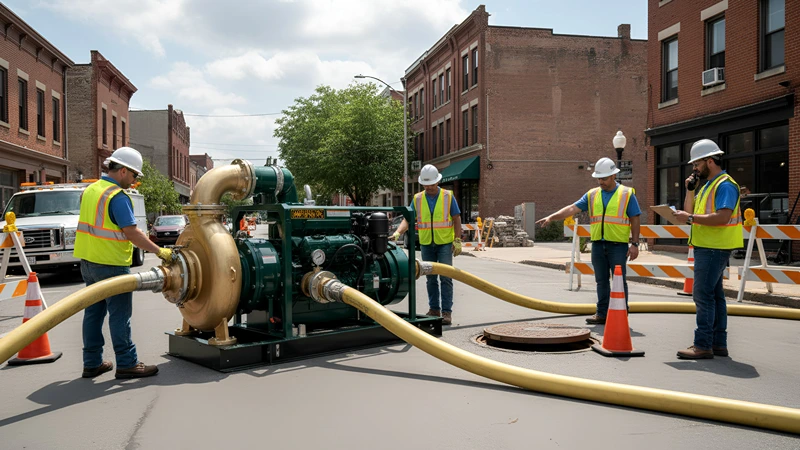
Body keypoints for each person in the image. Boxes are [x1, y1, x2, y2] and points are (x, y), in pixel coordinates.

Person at [74, 147, 174, 379]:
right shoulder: (117, 196)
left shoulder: (90, 190)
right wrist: (160, 252)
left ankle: (92, 363)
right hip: (111, 265)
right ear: (123, 171)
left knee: (93, 314)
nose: (135, 180)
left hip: (88, 262)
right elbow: (132, 233)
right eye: (134, 175)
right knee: (120, 316)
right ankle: (127, 363)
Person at [536, 157, 641, 324]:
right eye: (598, 178)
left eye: (604, 178)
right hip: (598, 245)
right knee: (601, 281)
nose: (601, 182)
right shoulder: (592, 195)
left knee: (619, 282)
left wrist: (634, 244)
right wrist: (552, 217)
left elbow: (635, 218)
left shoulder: (626, 194)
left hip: (618, 246)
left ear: (613, 176)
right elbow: (572, 208)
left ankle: (621, 315)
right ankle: (602, 314)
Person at [672, 139, 742, 359]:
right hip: (708, 246)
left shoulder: (725, 185)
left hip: (714, 248)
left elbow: (722, 217)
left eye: (697, 164)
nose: (694, 169)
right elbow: (689, 212)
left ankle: (702, 345)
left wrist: (691, 217)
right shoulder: (707, 186)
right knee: (715, 296)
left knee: (702, 295)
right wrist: (690, 191)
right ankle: (718, 344)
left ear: (710, 161)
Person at [392, 164, 462, 325]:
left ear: (437, 181)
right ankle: (434, 309)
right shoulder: (417, 199)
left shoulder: (448, 196)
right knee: (430, 278)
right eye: (426, 184)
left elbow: (456, 218)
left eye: (431, 184)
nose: (429, 187)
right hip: (426, 244)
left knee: (446, 277)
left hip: (444, 243)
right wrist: (398, 232)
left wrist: (457, 240)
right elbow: (408, 218)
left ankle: (446, 312)